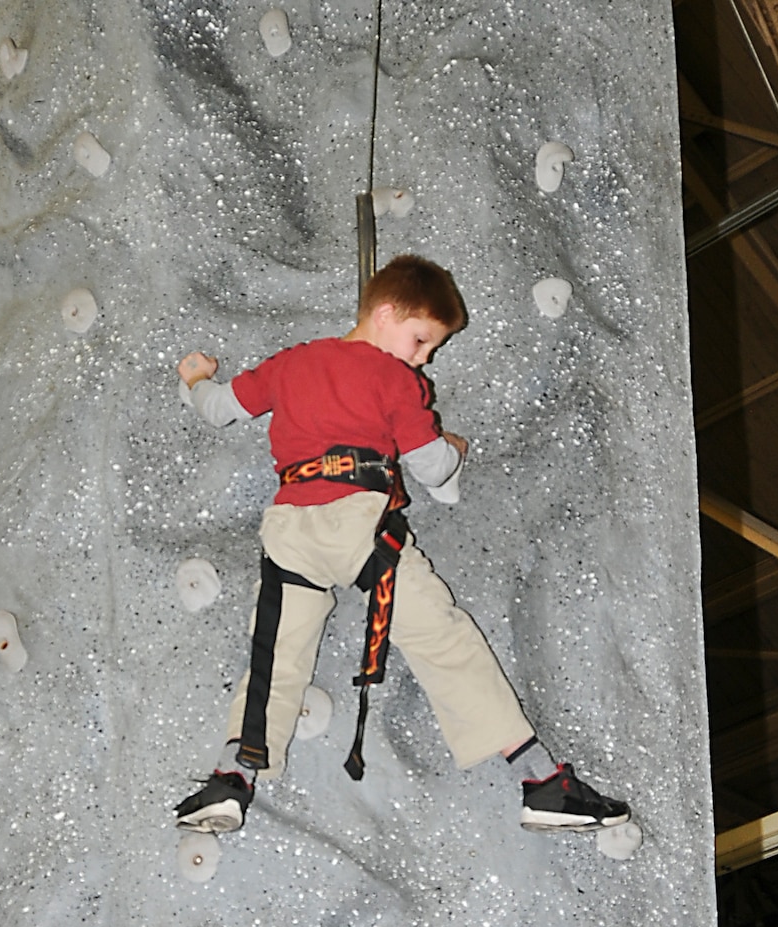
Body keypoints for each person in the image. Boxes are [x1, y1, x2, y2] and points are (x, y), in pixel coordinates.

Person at [174, 255, 630, 837]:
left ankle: (231, 779)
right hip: (363, 528)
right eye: (421, 341)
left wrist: (196, 378)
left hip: (291, 527)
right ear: (385, 314)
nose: (423, 358)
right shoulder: (396, 379)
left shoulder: (291, 364)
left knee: (275, 656)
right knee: (442, 639)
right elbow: (433, 470)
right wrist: (455, 445)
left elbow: (217, 411)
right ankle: (541, 782)